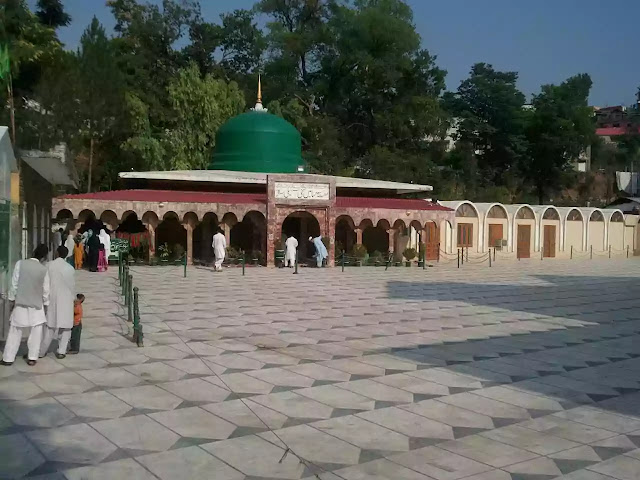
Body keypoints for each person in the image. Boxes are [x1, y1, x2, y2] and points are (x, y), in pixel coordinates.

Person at [1, 245, 50, 366]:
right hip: (36, 305)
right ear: (44, 257)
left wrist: (12, 299)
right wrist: (46, 304)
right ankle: (32, 357)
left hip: (21, 303)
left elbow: (14, 284)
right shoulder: (43, 270)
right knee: (36, 332)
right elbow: (46, 290)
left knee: (15, 331)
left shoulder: (20, 264)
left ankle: (8, 358)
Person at [39, 246, 75, 360]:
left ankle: (41, 351)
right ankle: (61, 351)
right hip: (67, 299)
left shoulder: (49, 265)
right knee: (66, 327)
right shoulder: (70, 268)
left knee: (50, 327)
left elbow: (45, 284)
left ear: (57, 253)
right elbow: (72, 286)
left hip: (52, 298)